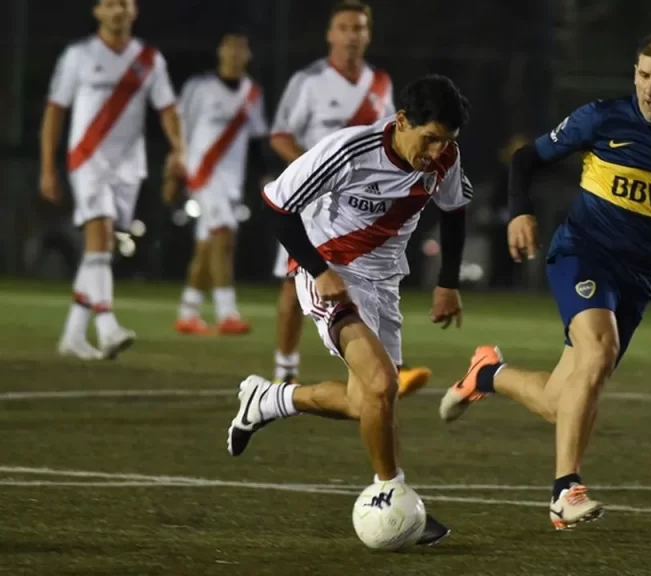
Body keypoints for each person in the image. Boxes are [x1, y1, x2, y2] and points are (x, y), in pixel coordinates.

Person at [439, 33, 651, 530]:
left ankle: (487, 375)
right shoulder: (603, 117)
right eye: (644, 75)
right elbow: (525, 159)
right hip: (582, 253)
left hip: (636, 278)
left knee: (561, 401)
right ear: (634, 74)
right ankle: (565, 490)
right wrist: (520, 213)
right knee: (598, 351)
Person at [228, 74, 474, 546]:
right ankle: (392, 496)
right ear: (402, 121)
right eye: (429, 139)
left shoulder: (446, 160)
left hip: (384, 285)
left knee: (367, 403)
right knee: (382, 384)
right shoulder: (348, 151)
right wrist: (319, 269)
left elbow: (455, 210)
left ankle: (270, 400)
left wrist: (448, 282)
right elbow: (276, 206)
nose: (437, 152)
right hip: (331, 275)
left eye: (446, 142)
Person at [267, 0, 432, 395]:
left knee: (376, 275)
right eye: (344, 27)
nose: (352, 35)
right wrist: (312, 170)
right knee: (294, 284)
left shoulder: (380, 83)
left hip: (361, 204)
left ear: (368, 34)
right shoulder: (308, 82)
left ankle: (387, 364)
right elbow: (279, 134)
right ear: (330, 34)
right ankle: (284, 368)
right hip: (311, 198)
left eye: (359, 28)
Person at [41, 0, 182, 360]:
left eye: (123, 3)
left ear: (134, 11)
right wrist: (47, 166)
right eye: (109, 4)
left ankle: (73, 334)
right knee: (100, 237)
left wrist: (178, 151)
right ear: (97, 12)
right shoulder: (79, 55)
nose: (117, 10)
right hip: (87, 160)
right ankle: (107, 327)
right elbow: (55, 111)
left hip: (128, 167)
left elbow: (167, 110)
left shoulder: (149, 59)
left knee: (100, 250)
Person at [167, 29, 270, 335]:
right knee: (224, 236)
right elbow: (178, 127)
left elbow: (255, 140)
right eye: (231, 48)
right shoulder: (199, 87)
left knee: (208, 246)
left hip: (231, 182)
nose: (236, 54)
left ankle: (188, 312)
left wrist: (263, 174)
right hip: (202, 174)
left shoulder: (252, 93)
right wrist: (173, 167)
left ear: (248, 55)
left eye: (242, 49)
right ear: (221, 52)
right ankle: (227, 313)